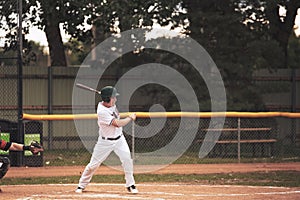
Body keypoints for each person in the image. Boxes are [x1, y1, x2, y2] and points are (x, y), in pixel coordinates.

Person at [75, 86, 138, 194]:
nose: (116, 99)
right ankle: (81, 185)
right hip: (105, 142)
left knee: (127, 159)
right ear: (108, 99)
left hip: (119, 140)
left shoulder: (111, 104)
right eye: (114, 97)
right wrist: (130, 118)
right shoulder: (102, 111)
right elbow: (117, 124)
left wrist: (109, 95)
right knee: (93, 165)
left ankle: (130, 184)